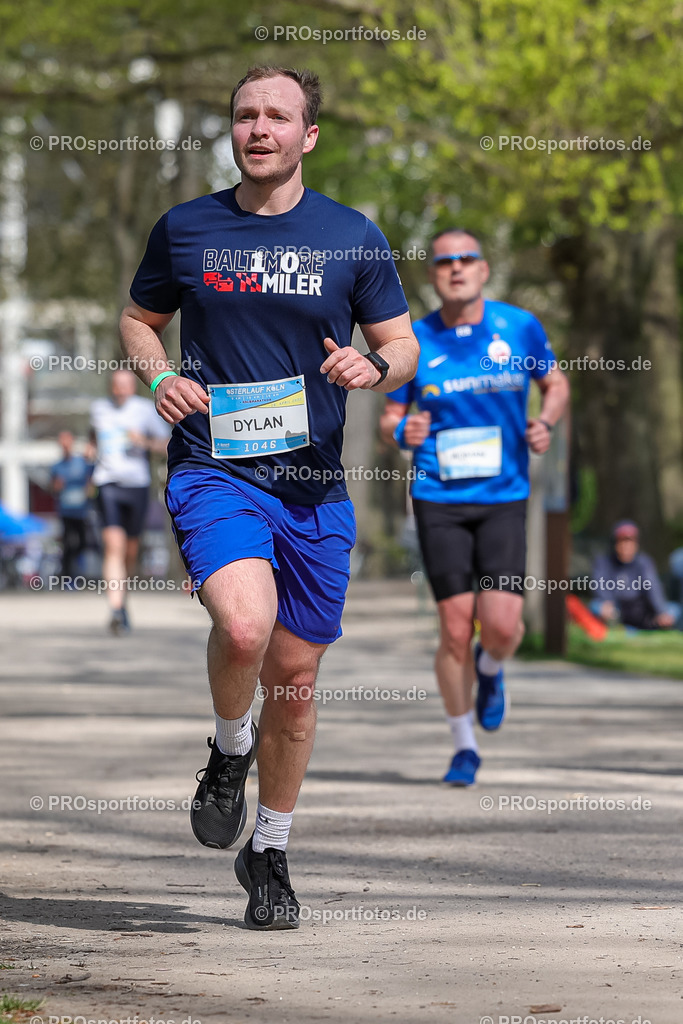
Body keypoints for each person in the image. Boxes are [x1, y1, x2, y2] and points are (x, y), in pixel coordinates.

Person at [119, 65, 419, 930]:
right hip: (215, 465)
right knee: (245, 627)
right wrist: (161, 375)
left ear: (307, 135)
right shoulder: (185, 229)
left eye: (277, 116)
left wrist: (374, 366)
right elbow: (140, 320)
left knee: (292, 675)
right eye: (245, 115)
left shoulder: (351, 236)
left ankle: (272, 850)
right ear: (233, 132)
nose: (259, 128)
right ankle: (226, 750)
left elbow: (399, 346)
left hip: (313, 482)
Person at [380, 228, 570, 787]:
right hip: (438, 497)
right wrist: (402, 431)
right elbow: (392, 416)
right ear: (433, 274)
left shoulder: (519, 326)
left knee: (503, 627)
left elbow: (555, 385)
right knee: (455, 629)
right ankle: (463, 746)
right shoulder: (414, 339)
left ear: (484, 269)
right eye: (444, 262)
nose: (456, 268)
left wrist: (545, 423)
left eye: (466, 259)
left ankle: (492, 671)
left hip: (503, 497)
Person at [90, 369, 170, 634]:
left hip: (137, 485)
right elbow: (94, 438)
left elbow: (167, 444)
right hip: (107, 482)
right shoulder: (98, 408)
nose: (120, 389)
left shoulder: (145, 410)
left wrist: (144, 441)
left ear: (132, 387)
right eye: (116, 385)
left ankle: (122, 600)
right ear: (111, 386)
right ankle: (115, 608)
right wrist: (91, 450)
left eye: (125, 385)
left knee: (130, 551)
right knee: (114, 545)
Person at [591, 520, 678, 630]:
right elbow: (600, 587)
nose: (626, 547)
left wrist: (661, 611)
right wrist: (607, 605)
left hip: (641, 611)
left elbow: (653, 588)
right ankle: (615, 628)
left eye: (630, 542)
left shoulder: (644, 562)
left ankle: (652, 624)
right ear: (614, 544)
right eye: (622, 541)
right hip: (616, 610)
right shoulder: (603, 562)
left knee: (674, 609)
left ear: (636, 544)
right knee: (596, 606)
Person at [50, 431, 93, 582]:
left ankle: (79, 573)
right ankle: (66, 576)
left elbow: (91, 479)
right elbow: (53, 489)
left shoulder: (82, 462)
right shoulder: (56, 467)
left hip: (81, 511)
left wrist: (89, 489)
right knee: (68, 543)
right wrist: (57, 487)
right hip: (65, 511)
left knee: (83, 542)